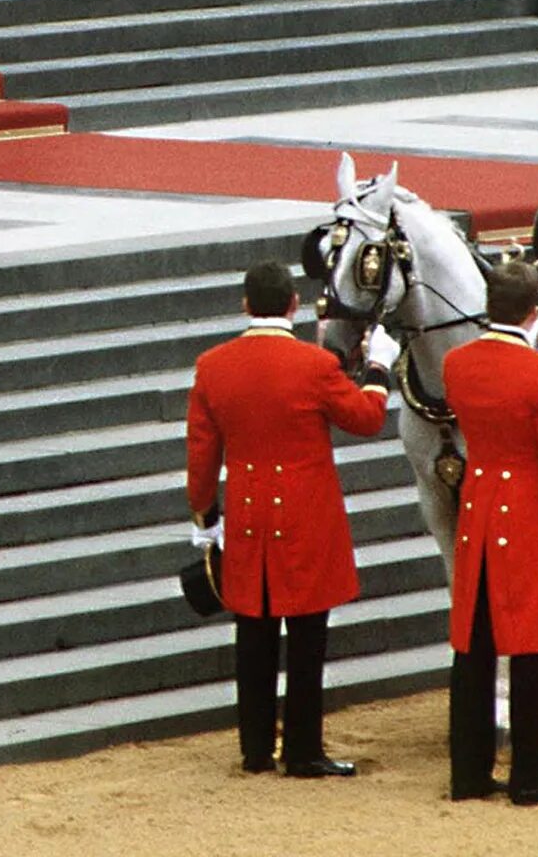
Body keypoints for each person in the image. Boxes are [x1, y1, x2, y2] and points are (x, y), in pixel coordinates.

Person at [184, 259, 387, 777]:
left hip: (249, 513)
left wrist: (207, 517)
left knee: (252, 635)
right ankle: (302, 749)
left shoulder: (213, 365)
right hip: (306, 517)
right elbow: (364, 419)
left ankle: (255, 750)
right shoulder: (314, 365)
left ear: (246, 304)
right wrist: (380, 373)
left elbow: (202, 454)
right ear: (294, 305)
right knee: (306, 640)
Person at [440, 261, 538, 807]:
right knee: (532, 648)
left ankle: (470, 772)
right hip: (528, 516)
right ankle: (530, 775)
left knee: (474, 649)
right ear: (535, 311)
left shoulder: (457, 364)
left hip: (478, 510)